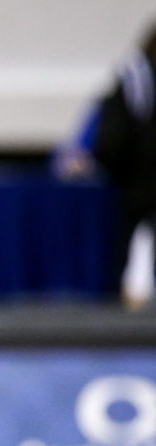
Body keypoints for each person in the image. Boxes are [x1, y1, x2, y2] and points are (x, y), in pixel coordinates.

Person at [54, 20, 156, 308]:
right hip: (137, 188)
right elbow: (110, 138)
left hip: (134, 187)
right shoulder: (134, 79)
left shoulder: (130, 79)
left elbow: (111, 139)